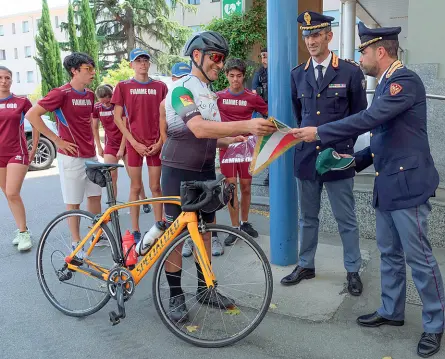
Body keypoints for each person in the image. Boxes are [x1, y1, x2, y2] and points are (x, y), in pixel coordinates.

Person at [292, 22, 444, 358]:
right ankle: (392, 310)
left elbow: (369, 120)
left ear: (380, 50)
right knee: (389, 253)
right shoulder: (388, 80)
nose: (360, 57)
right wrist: (353, 161)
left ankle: (435, 324)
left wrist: (319, 133)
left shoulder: (403, 81)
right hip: (388, 182)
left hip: (408, 185)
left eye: (363, 51)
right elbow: (383, 139)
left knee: (419, 258)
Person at [160, 30, 276, 322]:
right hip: (178, 171)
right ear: (196, 56)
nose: (220, 65)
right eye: (215, 58)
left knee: (206, 231)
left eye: (222, 59)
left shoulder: (209, 94)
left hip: (204, 171)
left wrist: (240, 137)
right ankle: (175, 295)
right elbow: (198, 129)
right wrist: (246, 125)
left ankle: (205, 289)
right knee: (175, 234)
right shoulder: (180, 89)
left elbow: (212, 137)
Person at [280, 11, 367, 297]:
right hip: (306, 158)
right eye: (307, 35)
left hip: (338, 157)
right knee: (308, 217)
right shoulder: (297, 74)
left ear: (329, 36)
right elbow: (300, 114)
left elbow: (359, 116)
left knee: (346, 218)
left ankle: (352, 270)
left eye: (316, 34)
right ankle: (306, 265)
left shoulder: (350, 72)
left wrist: (341, 146)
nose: (311, 40)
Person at [25, 52, 102, 258]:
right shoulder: (61, 93)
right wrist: (57, 140)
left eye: (93, 69)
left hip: (91, 155)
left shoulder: (90, 94)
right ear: (74, 71)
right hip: (71, 156)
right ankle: (76, 242)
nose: (92, 73)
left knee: (95, 196)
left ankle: (96, 235)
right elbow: (32, 115)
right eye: (88, 69)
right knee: (73, 201)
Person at [112, 48, 167, 243]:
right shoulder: (123, 86)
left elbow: (166, 116)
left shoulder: (160, 86)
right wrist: (133, 142)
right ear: (132, 65)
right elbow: (117, 118)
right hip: (134, 145)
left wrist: (161, 141)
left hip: (155, 144)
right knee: (135, 187)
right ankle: (135, 230)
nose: (142, 63)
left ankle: (159, 227)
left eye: (145, 60)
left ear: (149, 64)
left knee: (155, 186)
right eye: (138, 60)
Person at [216, 58, 268, 246]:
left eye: (238, 76)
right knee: (231, 189)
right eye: (231, 76)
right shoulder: (218, 97)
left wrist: (263, 135)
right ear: (226, 76)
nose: (235, 80)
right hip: (227, 147)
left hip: (247, 147)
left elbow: (268, 114)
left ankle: (245, 222)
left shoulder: (251, 97)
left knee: (246, 187)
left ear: (243, 76)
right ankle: (234, 227)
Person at [92, 84, 151, 214]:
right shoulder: (97, 108)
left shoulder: (119, 106)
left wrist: (122, 148)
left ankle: (144, 200)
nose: (106, 104)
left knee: (133, 176)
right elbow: (95, 127)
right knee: (111, 176)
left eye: (108, 101)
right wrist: (99, 145)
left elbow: (126, 127)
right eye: (103, 102)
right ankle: (113, 206)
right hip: (110, 144)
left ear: (111, 97)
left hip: (125, 142)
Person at [0, 66, 37, 251]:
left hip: (17, 151)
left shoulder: (21, 101)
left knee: (12, 192)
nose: (4, 81)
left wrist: (34, 146)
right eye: (0, 78)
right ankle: (21, 228)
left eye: (7, 77)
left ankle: (23, 233)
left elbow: (36, 122)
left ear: (11, 80)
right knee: (8, 194)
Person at [252, 47, 269, 186]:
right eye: (263, 56)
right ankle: (269, 172)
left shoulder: (277, 71)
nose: (264, 59)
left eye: (267, 56)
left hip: (277, 110)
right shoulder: (260, 73)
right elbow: (254, 92)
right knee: (265, 143)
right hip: (264, 111)